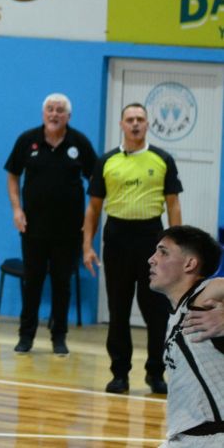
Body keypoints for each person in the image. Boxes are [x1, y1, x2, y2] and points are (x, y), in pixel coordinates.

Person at [83, 103, 183, 394]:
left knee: (156, 312)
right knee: (118, 309)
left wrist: (176, 247)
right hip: (117, 238)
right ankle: (119, 374)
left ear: (148, 124)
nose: (135, 124)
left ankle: (155, 372)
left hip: (152, 238)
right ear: (122, 124)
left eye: (140, 119)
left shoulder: (162, 159)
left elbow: (173, 204)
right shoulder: (106, 161)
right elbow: (93, 208)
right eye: (130, 119)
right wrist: (87, 245)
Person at [5, 94, 96, 356]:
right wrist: (17, 209)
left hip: (69, 231)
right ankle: (26, 336)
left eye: (60, 110)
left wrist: (89, 218)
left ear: (69, 116)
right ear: (43, 113)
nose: (54, 114)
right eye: (50, 109)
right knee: (32, 282)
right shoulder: (27, 140)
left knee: (62, 284)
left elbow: (96, 181)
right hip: (33, 228)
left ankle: (59, 337)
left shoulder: (79, 142)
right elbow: (13, 175)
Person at [147, 225, 224, 446]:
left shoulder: (205, 295)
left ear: (190, 264)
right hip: (187, 438)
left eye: (163, 252)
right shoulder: (178, 312)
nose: (151, 260)